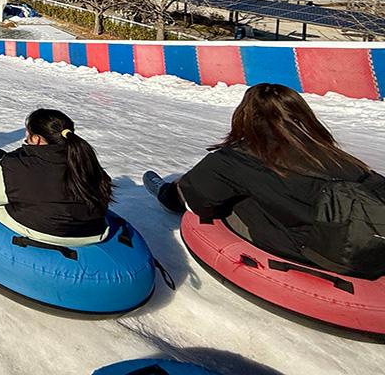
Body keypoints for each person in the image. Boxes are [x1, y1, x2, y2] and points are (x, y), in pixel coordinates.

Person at [144, 83, 385, 276]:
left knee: (228, 198)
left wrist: (170, 191)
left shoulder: (236, 159)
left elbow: (199, 202)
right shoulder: (335, 156)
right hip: (369, 240)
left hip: (321, 250)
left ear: (245, 117)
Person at [0, 109, 113, 246]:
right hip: (92, 231)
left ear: (37, 139)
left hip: (45, 230)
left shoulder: (19, 166)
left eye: (28, 132)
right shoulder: (85, 160)